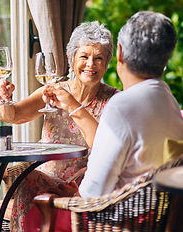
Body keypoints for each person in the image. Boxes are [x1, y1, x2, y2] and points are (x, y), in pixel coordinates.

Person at [0, 21, 119, 231]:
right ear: (71, 60)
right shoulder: (53, 91)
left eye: (99, 58)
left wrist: (70, 103)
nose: (91, 64)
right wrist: (5, 98)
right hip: (46, 180)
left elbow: (106, 149)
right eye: (84, 56)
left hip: (85, 187)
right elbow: (13, 116)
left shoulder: (114, 101)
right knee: (25, 175)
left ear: (107, 64)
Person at [78, 11, 183, 198]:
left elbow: (92, 193)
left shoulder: (121, 106)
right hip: (163, 219)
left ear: (119, 53)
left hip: (121, 222)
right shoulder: (169, 100)